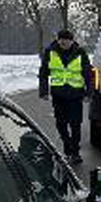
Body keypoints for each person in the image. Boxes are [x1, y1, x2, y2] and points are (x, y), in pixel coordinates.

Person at [38, 29, 94, 164]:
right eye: (61, 39)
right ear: (58, 40)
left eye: (67, 40)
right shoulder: (50, 52)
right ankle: (67, 147)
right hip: (58, 95)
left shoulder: (80, 53)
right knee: (61, 124)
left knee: (75, 125)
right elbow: (44, 72)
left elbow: (88, 74)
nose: (64, 42)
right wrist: (44, 91)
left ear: (72, 41)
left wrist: (89, 92)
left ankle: (75, 152)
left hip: (76, 95)